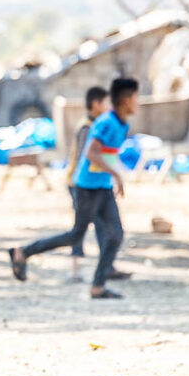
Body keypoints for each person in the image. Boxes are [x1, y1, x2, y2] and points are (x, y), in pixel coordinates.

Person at [9, 78, 138, 299]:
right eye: (135, 98)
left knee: (115, 235)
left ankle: (98, 285)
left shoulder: (122, 124)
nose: (137, 103)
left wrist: (115, 175)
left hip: (102, 186)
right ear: (126, 100)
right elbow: (91, 153)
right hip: (86, 187)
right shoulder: (106, 123)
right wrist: (116, 174)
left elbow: (107, 153)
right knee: (75, 235)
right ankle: (23, 252)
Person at [67, 86, 131, 283]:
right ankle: (77, 268)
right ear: (96, 104)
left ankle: (106, 267)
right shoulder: (88, 128)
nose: (109, 107)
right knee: (84, 228)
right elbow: (84, 158)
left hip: (94, 185)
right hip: (83, 185)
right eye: (106, 103)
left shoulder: (99, 125)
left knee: (101, 227)